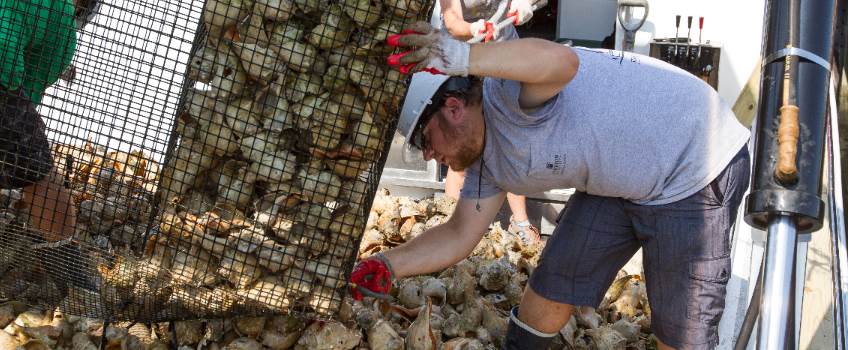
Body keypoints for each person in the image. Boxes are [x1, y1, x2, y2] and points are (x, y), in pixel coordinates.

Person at [353, 21, 750, 350]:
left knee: (679, 338)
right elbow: (458, 234)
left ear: (453, 109)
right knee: (546, 294)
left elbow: (563, 62)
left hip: (692, 167)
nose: (426, 156)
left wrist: (463, 56)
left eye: (424, 140)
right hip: (620, 185)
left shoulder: (506, 95)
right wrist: (385, 265)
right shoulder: (487, 164)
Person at [1, 0, 100, 299]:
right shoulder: (64, 28)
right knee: (38, 176)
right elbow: (28, 88)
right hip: (4, 78)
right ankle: (71, 273)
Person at [436, 0, 542, 244]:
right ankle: (450, 224)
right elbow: (452, 23)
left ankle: (520, 223)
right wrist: (474, 29)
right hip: (464, 61)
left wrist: (524, 3)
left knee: (510, 144)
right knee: (461, 148)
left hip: (505, 58)